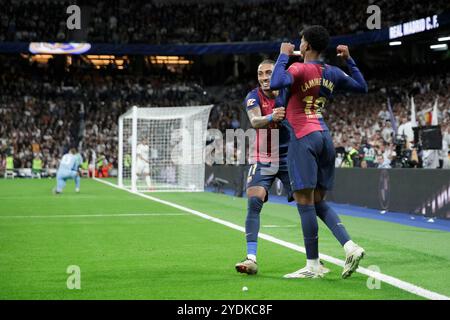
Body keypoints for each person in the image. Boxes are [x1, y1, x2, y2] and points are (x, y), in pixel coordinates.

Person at [270, 25, 367, 279]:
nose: (298, 44)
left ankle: (312, 266)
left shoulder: (298, 68)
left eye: (300, 41)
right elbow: (361, 86)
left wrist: (282, 55)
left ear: (306, 46)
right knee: (317, 201)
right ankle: (350, 246)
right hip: (324, 136)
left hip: (303, 137)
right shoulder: (332, 72)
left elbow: (275, 82)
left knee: (304, 203)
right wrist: (349, 60)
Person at [235, 59, 329, 275]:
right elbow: (255, 121)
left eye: (268, 72)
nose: (264, 77)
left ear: (276, 74)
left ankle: (315, 260)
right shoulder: (253, 96)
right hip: (264, 157)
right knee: (254, 199)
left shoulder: (289, 92)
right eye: (260, 74)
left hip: (290, 157)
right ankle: (251, 258)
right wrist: (271, 116)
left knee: (309, 204)